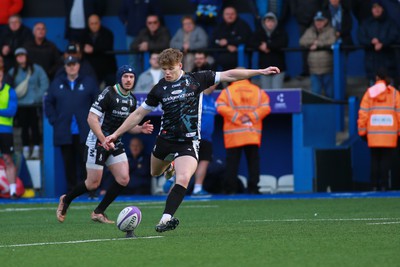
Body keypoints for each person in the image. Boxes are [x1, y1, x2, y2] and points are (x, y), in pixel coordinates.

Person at [104, 48, 280, 232]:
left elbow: (230, 74)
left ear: (180, 65)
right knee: (155, 172)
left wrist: (259, 71)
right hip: (165, 139)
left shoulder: (197, 79)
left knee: (183, 178)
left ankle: (165, 219)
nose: (167, 73)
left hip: (189, 142)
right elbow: (139, 113)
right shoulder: (159, 88)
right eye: (164, 69)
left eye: (171, 68)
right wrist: (115, 134)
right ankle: (169, 166)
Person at [56, 65, 154, 224]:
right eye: (125, 77)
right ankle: (66, 199)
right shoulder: (109, 93)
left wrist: (140, 128)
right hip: (98, 142)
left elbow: (127, 126)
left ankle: (98, 211)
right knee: (93, 183)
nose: (128, 80)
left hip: (114, 143)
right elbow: (91, 119)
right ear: (119, 78)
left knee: (123, 179)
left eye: (131, 77)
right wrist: (103, 139)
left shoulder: (131, 99)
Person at [45, 56, 99, 193]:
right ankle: (72, 192)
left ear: (78, 66)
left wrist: (96, 121)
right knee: (68, 165)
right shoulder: (56, 83)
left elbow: (98, 102)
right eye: (69, 65)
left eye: (74, 64)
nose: (71, 67)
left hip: (85, 132)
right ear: (65, 67)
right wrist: (54, 120)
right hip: (65, 131)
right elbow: (48, 102)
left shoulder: (89, 82)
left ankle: (90, 191)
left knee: (87, 163)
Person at [216, 71, 271, 194]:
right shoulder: (257, 91)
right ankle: (253, 188)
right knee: (253, 162)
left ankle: (230, 189)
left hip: (233, 134)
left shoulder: (227, 92)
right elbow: (266, 107)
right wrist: (251, 116)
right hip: (252, 133)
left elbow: (220, 106)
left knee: (232, 164)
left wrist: (236, 117)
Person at [358, 69, 400, 191]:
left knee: (375, 160)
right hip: (390, 135)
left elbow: (363, 114)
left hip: (373, 134)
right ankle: (385, 186)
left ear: (377, 78)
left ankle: (374, 186)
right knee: (386, 161)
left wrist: (362, 131)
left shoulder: (369, 93)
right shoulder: (394, 94)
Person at [8, 47, 49, 159]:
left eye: (22, 55)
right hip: (20, 105)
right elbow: (9, 88)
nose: (20, 57)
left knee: (35, 126)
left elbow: (44, 83)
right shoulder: (13, 71)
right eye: (18, 55)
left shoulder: (37, 69)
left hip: (34, 104)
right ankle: (25, 148)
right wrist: (14, 99)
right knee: (23, 127)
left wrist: (36, 98)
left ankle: (36, 147)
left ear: (26, 56)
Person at [357, 0, 398, 86]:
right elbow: (361, 37)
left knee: (390, 94)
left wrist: (382, 43)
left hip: (388, 66)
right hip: (372, 66)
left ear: (383, 9)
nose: (376, 9)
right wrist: (371, 42)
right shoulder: (366, 23)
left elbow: (394, 36)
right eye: (374, 7)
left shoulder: (390, 23)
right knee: (374, 95)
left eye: (379, 7)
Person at [299, 11, 336, 98]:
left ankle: (331, 111)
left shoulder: (330, 30)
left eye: (321, 20)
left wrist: (318, 44)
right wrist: (313, 43)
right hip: (314, 69)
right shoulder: (310, 30)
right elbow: (302, 41)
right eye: (317, 20)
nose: (318, 23)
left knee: (330, 94)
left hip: (327, 69)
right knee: (315, 94)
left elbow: (333, 41)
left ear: (326, 21)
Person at [118, 0, 161, 72]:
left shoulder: (150, 1)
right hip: (131, 33)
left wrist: (151, 26)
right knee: (132, 58)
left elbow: (157, 13)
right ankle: (134, 81)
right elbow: (121, 12)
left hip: (146, 33)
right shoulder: (127, 1)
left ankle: (147, 80)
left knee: (147, 58)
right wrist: (126, 22)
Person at [250, 12, 288, 89]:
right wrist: (260, 46)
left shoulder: (281, 32)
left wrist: (267, 46)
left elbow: (283, 43)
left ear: (275, 22)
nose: (270, 23)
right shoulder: (259, 32)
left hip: (278, 67)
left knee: (277, 90)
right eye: (268, 21)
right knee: (266, 91)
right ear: (264, 22)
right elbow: (250, 42)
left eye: (272, 21)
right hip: (264, 68)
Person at [211, 6, 253, 70]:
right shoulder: (220, 25)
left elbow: (246, 39)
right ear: (223, 15)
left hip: (239, 54)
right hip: (222, 54)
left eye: (232, 14)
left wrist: (228, 42)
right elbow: (214, 40)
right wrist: (227, 46)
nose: (230, 16)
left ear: (236, 15)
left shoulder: (242, 24)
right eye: (227, 14)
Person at [82, 14, 117, 88]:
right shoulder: (83, 34)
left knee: (111, 91)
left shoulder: (108, 33)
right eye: (92, 23)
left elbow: (107, 46)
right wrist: (83, 48)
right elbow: (79, 46)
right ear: (88, 24)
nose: (94, 26)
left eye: (96, 23)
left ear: (99, 23)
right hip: (92, 69)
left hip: (107, 67)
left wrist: (93, 49)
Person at [0, 67, 18, 199]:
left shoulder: (9, 91)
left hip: (5, 130)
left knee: (8, 159)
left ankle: (13, 191)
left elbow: (11, 111)